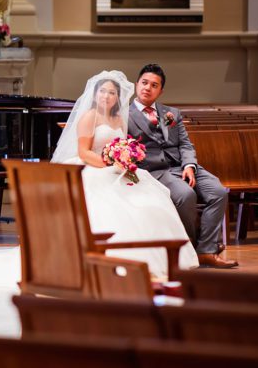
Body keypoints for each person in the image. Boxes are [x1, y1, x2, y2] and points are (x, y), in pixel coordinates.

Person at [50, 70, 199, 279]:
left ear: (117, 97)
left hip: (119, 168)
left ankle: (162, 256)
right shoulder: (89, 116)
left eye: (112, 93)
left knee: (153, 201)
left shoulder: (119, 118)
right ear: (95, 94)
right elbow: (84, 152)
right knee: (112, 209)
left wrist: (126, 159)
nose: (106, 96)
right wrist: (110, 163)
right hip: (94, 167)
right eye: (102, 91)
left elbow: (122, 144)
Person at [129, 64, 238, 268]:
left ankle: (206, 251)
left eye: (154, 85)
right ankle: (195, 247)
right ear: (136, 84)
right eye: (144, 83)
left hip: (182, 166)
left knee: (218, 192)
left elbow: (186, 144)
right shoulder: (125, 116)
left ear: (160, 91)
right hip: (156, 171)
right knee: (186, 195)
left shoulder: (171, 113)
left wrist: (189, 165)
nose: (147, 88)